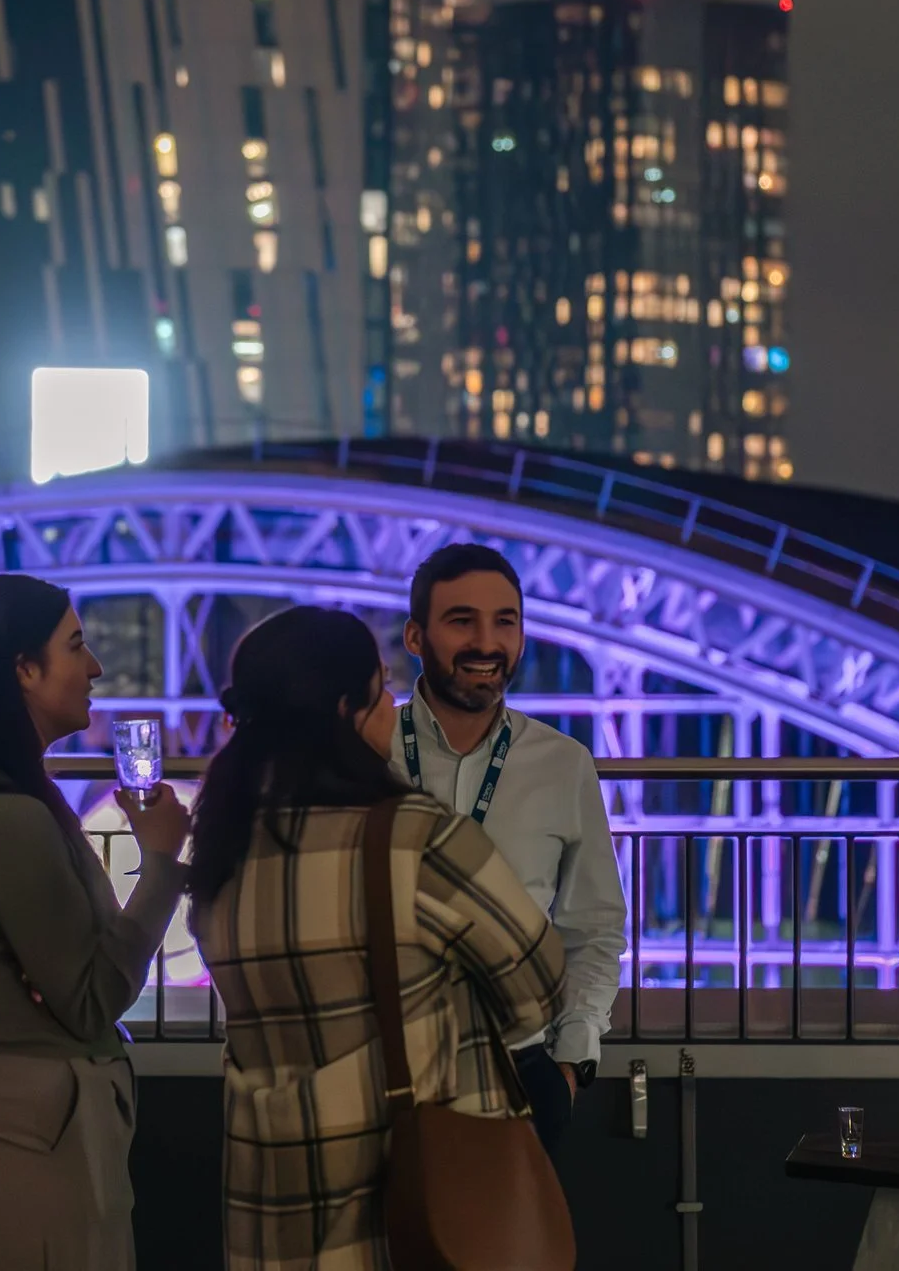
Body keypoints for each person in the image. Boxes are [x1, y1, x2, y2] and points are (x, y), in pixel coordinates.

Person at [190, 605, 566, 1269]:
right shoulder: (412, 836)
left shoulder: (224, 848)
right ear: (347, 712)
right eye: (381, 691)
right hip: (408, 1210)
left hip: (274, 1215)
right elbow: (540, 988)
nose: (392, 709)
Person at [0, 573, 192, 1271]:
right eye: (76, 646)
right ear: (24, 670)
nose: (95, 667)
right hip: (35, 1143)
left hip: (29, 1128)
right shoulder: (8, 817)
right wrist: (158, 865)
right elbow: (89, 997)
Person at [383, 543, 628, 1157]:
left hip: (518, 1070)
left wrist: (570, 1061)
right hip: (380, 1070)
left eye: (505, 622)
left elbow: (594, 927)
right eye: (461, 621)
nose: (486, 643)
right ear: (414, 636)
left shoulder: (562, 763)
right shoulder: (368, 752)